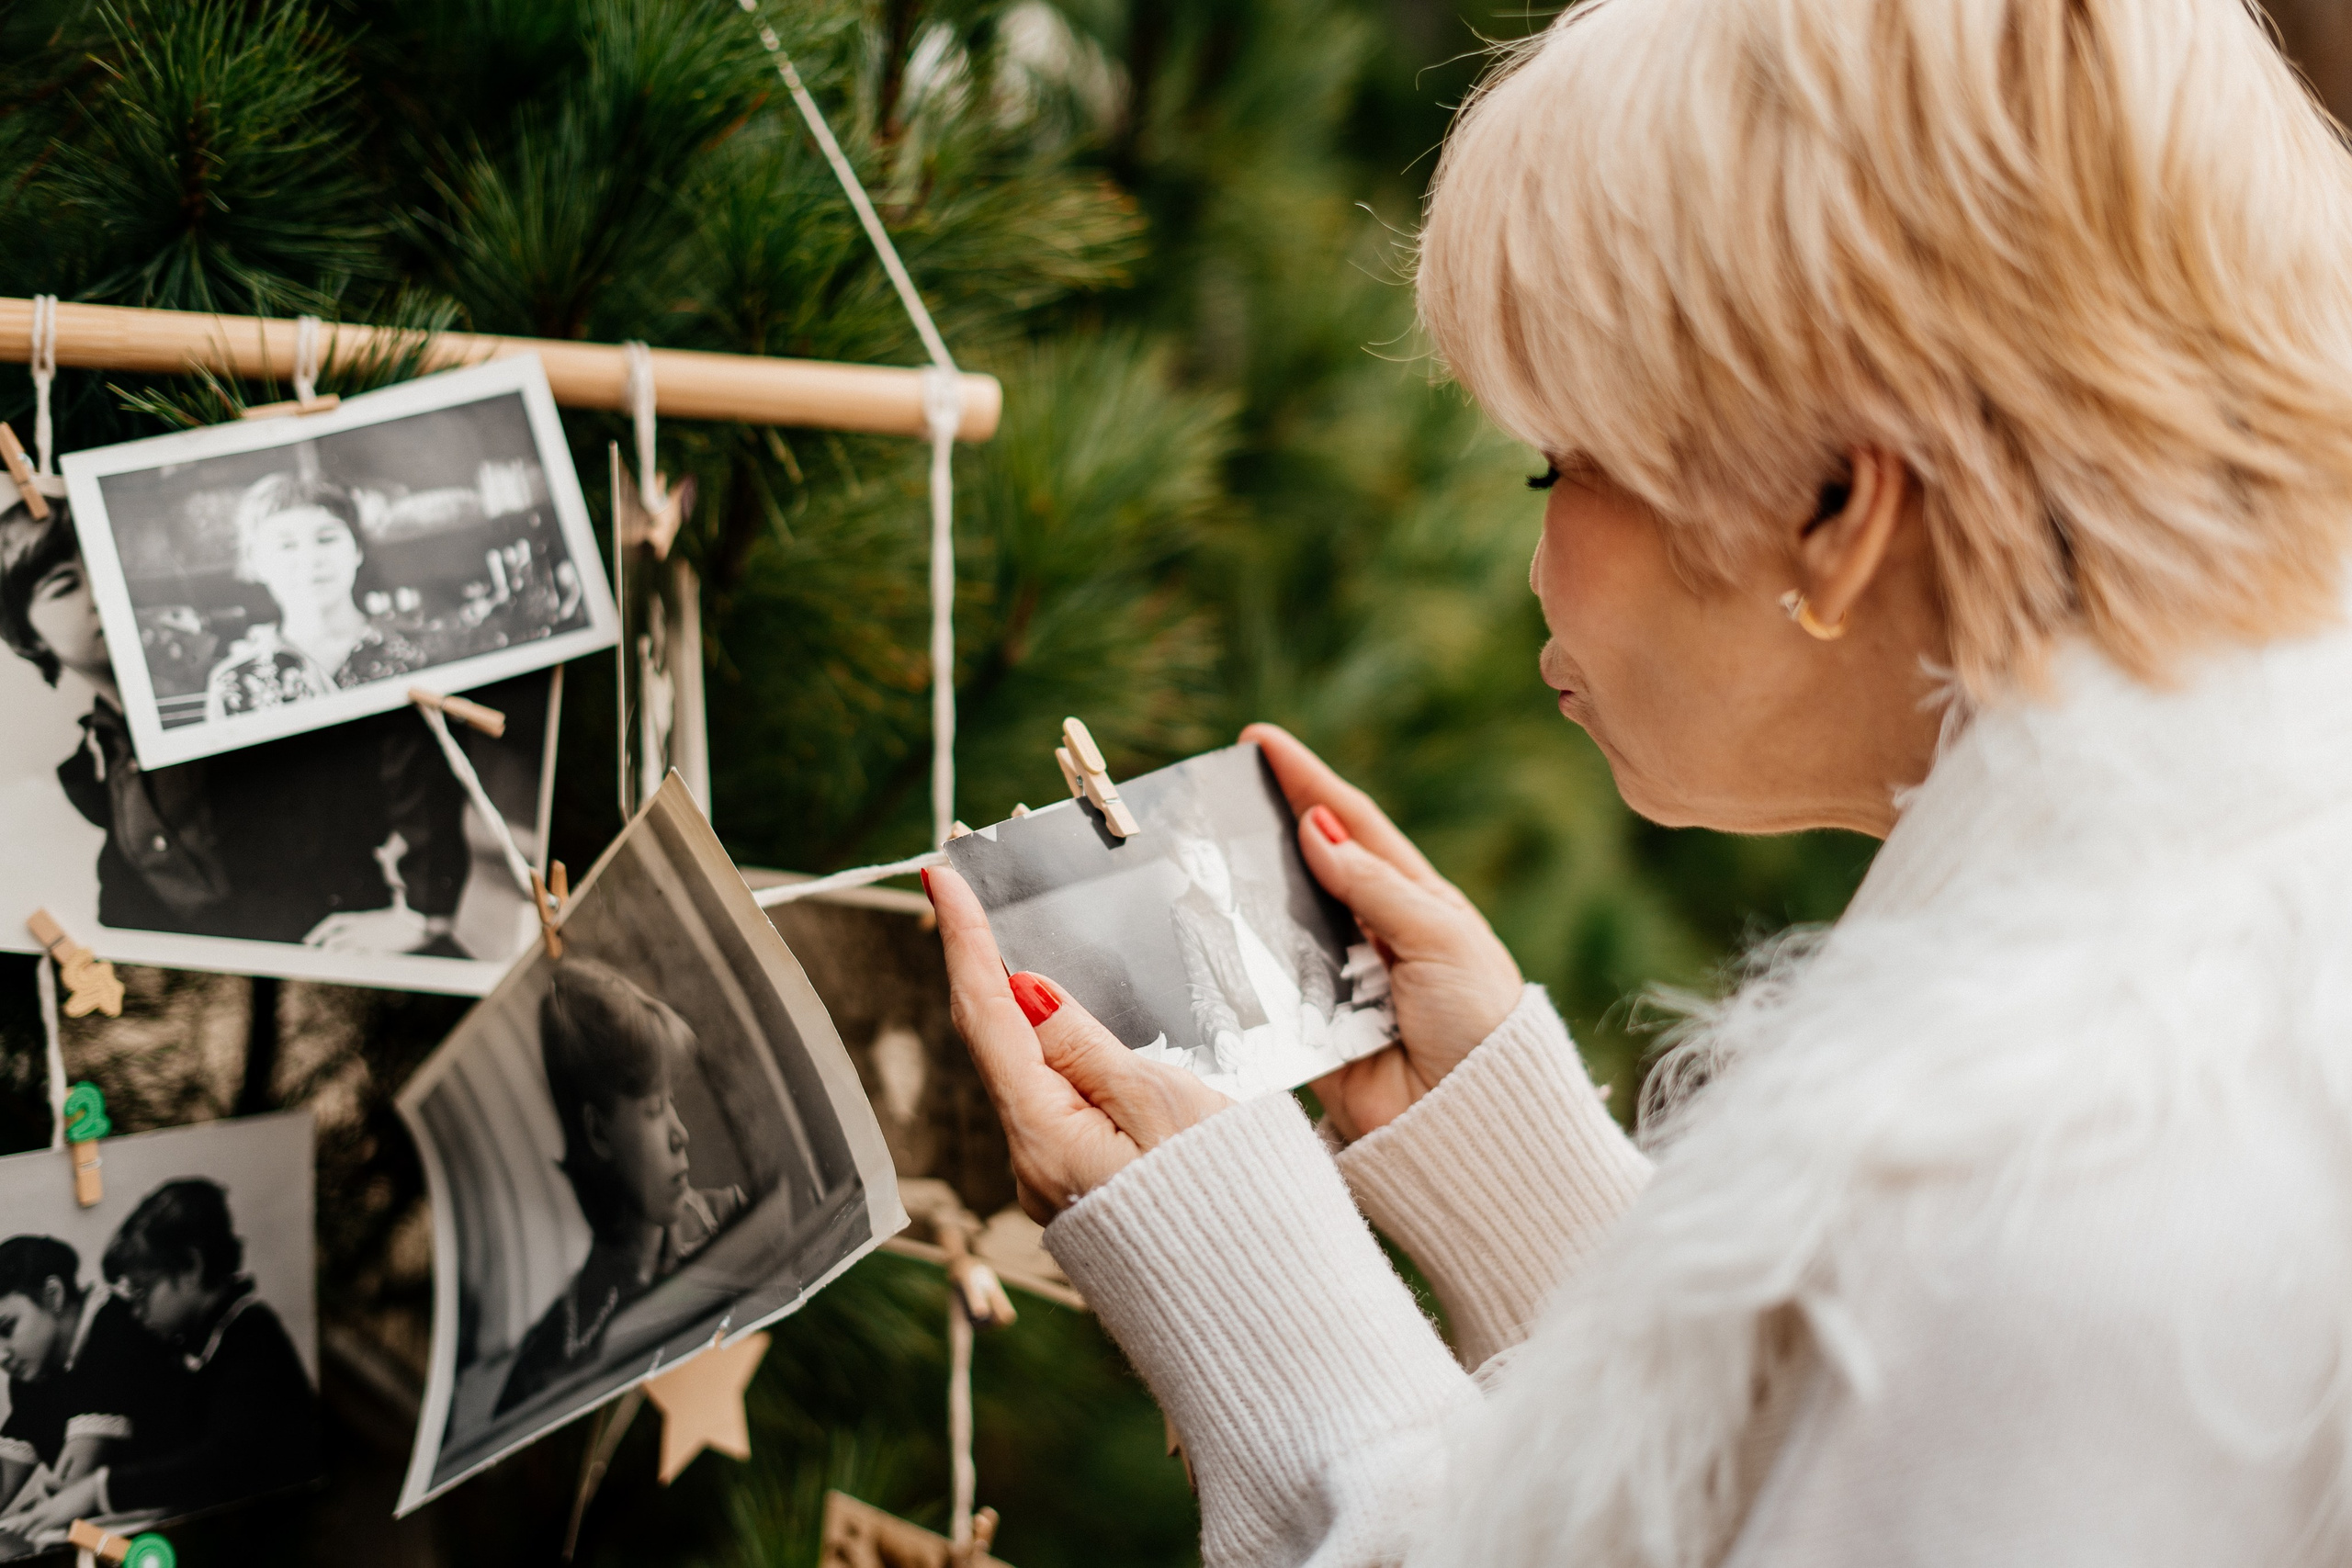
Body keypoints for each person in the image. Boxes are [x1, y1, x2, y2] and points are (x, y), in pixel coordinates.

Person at [924, 0, 2352, 1562]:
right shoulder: (2227, 946)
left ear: (1837, 510)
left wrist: (1279, 1325)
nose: (1535, 558)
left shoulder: (2053, 1179)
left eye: (1565, 463)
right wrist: (1529, 1183)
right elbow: (1818, 1461)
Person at [0, 494, 473, 952]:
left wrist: (424, 913)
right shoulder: (94, 758)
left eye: (105, 569)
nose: (100, 596)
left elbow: (415, 764)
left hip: (330, 948)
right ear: (27, 636)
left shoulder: (242, 682)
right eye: (64, 587)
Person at [495, 960, 746, 1416]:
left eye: (671, 1102)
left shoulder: (734, 1217)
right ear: (598, 1132)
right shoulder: (552, 1361)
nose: (680, 1134)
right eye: (653, 1110)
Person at [3, 1182, 319, 1536]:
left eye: (142, 1291)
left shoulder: (252, 1333)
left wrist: (99, 1489)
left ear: (191, 1267)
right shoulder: (200, 1341)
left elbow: (225, 1461)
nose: (135, 1310)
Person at [202, 473, 428, 717]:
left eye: (326, 539)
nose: (310, 560)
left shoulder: (420, 650)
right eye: (287, 545)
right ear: (255, 561)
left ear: (357, 550)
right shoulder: (233, 683)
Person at [0, 1237, 187, 1529]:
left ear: (53, 1295)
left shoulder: (116, 1329)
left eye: (7, 1328)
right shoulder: (33, 1368)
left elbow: (70, 1485)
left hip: (188, 1521)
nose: (2, 1355)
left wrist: (40, 1508)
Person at [1159, 801, 1341, 1095]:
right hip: (1264, 1040)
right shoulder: (1186, 914)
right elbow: (1205, 995)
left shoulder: (1261, 894)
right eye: (1189, 854)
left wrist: (1315, 1006)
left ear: (1221, 849)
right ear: (1180, 863)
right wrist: (1221, 1034)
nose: (1202, 863)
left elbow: (1307, 955)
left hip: (1312, 1021)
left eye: (1206, 848)